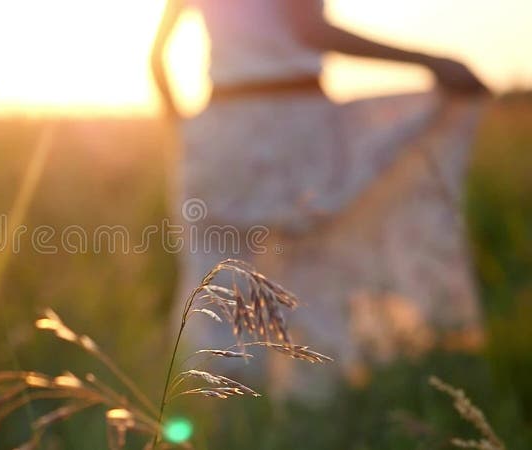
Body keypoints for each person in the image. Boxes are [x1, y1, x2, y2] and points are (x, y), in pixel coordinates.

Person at [151, 0, 488, 403]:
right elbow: (312, 31)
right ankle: (307, 414)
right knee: (311, 276)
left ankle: (224, 421)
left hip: (218, 127)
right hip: (295, 126)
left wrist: (185, 130)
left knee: (218, 281)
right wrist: (430, 61)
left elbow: (156, 59)